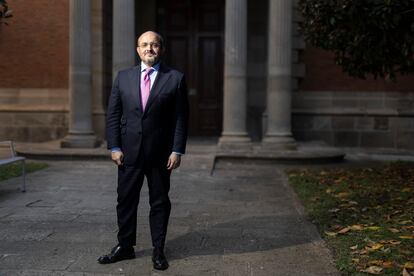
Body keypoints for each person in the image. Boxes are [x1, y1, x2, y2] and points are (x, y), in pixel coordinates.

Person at [98, 31, 189, 271]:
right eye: (145, 45)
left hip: (161, 154)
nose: (150, 48)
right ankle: (125, 246)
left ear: (162, 49)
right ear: (138, 50)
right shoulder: (123, 77)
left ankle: (158, 250)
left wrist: (177, 150)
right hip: (128, 152)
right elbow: (113, 114)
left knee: (159, 202)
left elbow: (181, 118)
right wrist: (114, 146)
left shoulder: (175, 78)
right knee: (126, 201)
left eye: (155, 45)